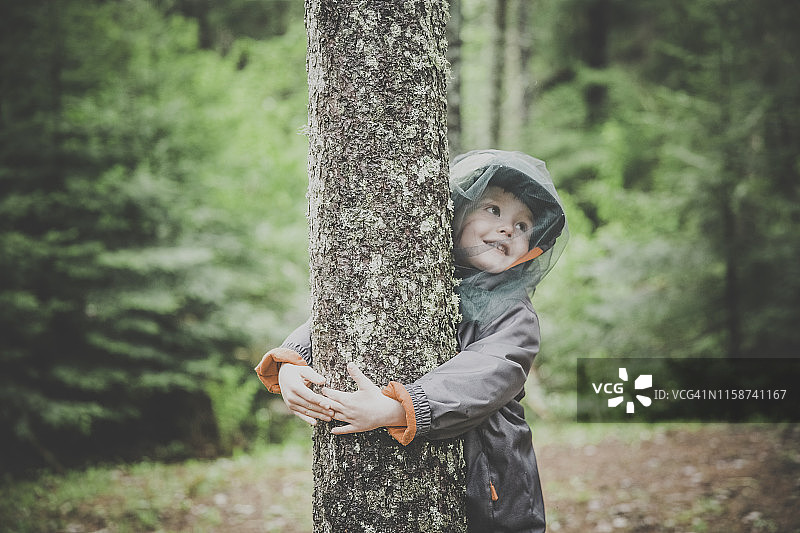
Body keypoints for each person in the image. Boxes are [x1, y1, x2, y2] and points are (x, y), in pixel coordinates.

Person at [255, 150, 568, 533]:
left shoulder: (514, 310)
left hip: (493, 492)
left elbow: (491, 372)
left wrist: (399, 408)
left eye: (523, 226)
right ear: (459, 211)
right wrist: (292, 362)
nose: (508, 229)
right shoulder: (418, 272)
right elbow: (351, 312)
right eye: (493, 210)